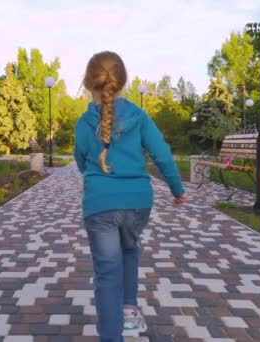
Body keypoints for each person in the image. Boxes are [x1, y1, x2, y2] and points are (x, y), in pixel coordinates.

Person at [74, 51, 187, 342]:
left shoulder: (83, 123)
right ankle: (129, 310)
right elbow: (161, 154)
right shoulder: (138, 116)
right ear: (123, 81)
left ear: (89, 83)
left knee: (107, 274)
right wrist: (177, 189)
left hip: (100, 206)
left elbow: (81, 161)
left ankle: (113, 335)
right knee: (129, 247)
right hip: (138, 203)